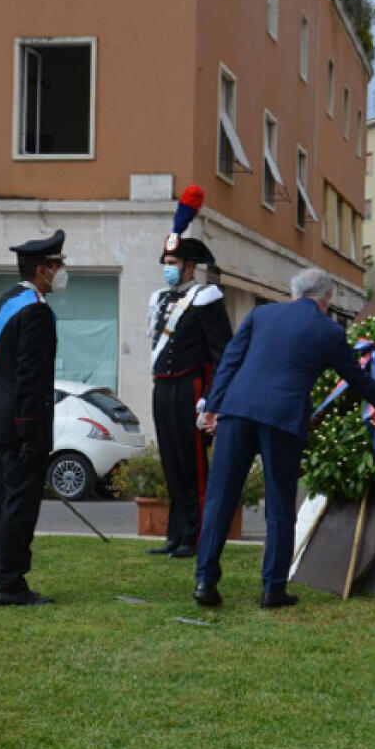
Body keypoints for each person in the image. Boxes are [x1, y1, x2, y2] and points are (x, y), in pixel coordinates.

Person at [193, 268, 375, 609]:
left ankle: (205, 581)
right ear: (326, 299)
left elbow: (230, 361)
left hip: (237, 412)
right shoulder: (328, 330)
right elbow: (355, 377)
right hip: (282, 420)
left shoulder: (261, 314)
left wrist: (213, 406)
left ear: (293, 292)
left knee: (220, 498)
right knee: (281, 506)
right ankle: (273, 589)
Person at [0, 229, 66, 606]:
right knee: (19, 506)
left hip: (1, 420)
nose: (61, 272)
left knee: (2, 504)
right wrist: (31, 433)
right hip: (23, 426)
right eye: (57, 265)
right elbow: (33, 379)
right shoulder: (36, 313)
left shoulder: (5, 304)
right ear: (42, 270)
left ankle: (1, 576)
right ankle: (11, 584)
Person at [148, 186, 233, 558]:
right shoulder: (159, 298)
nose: (168, 267)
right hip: (163, 390)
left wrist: (211, 399)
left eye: (173, 262)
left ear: (189, 266)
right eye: (165, 261)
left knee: (194, 466)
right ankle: (175, 534)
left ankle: (196, 537)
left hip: (192, 389)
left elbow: (222, 353)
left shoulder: (206, 297)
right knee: (171, 462)